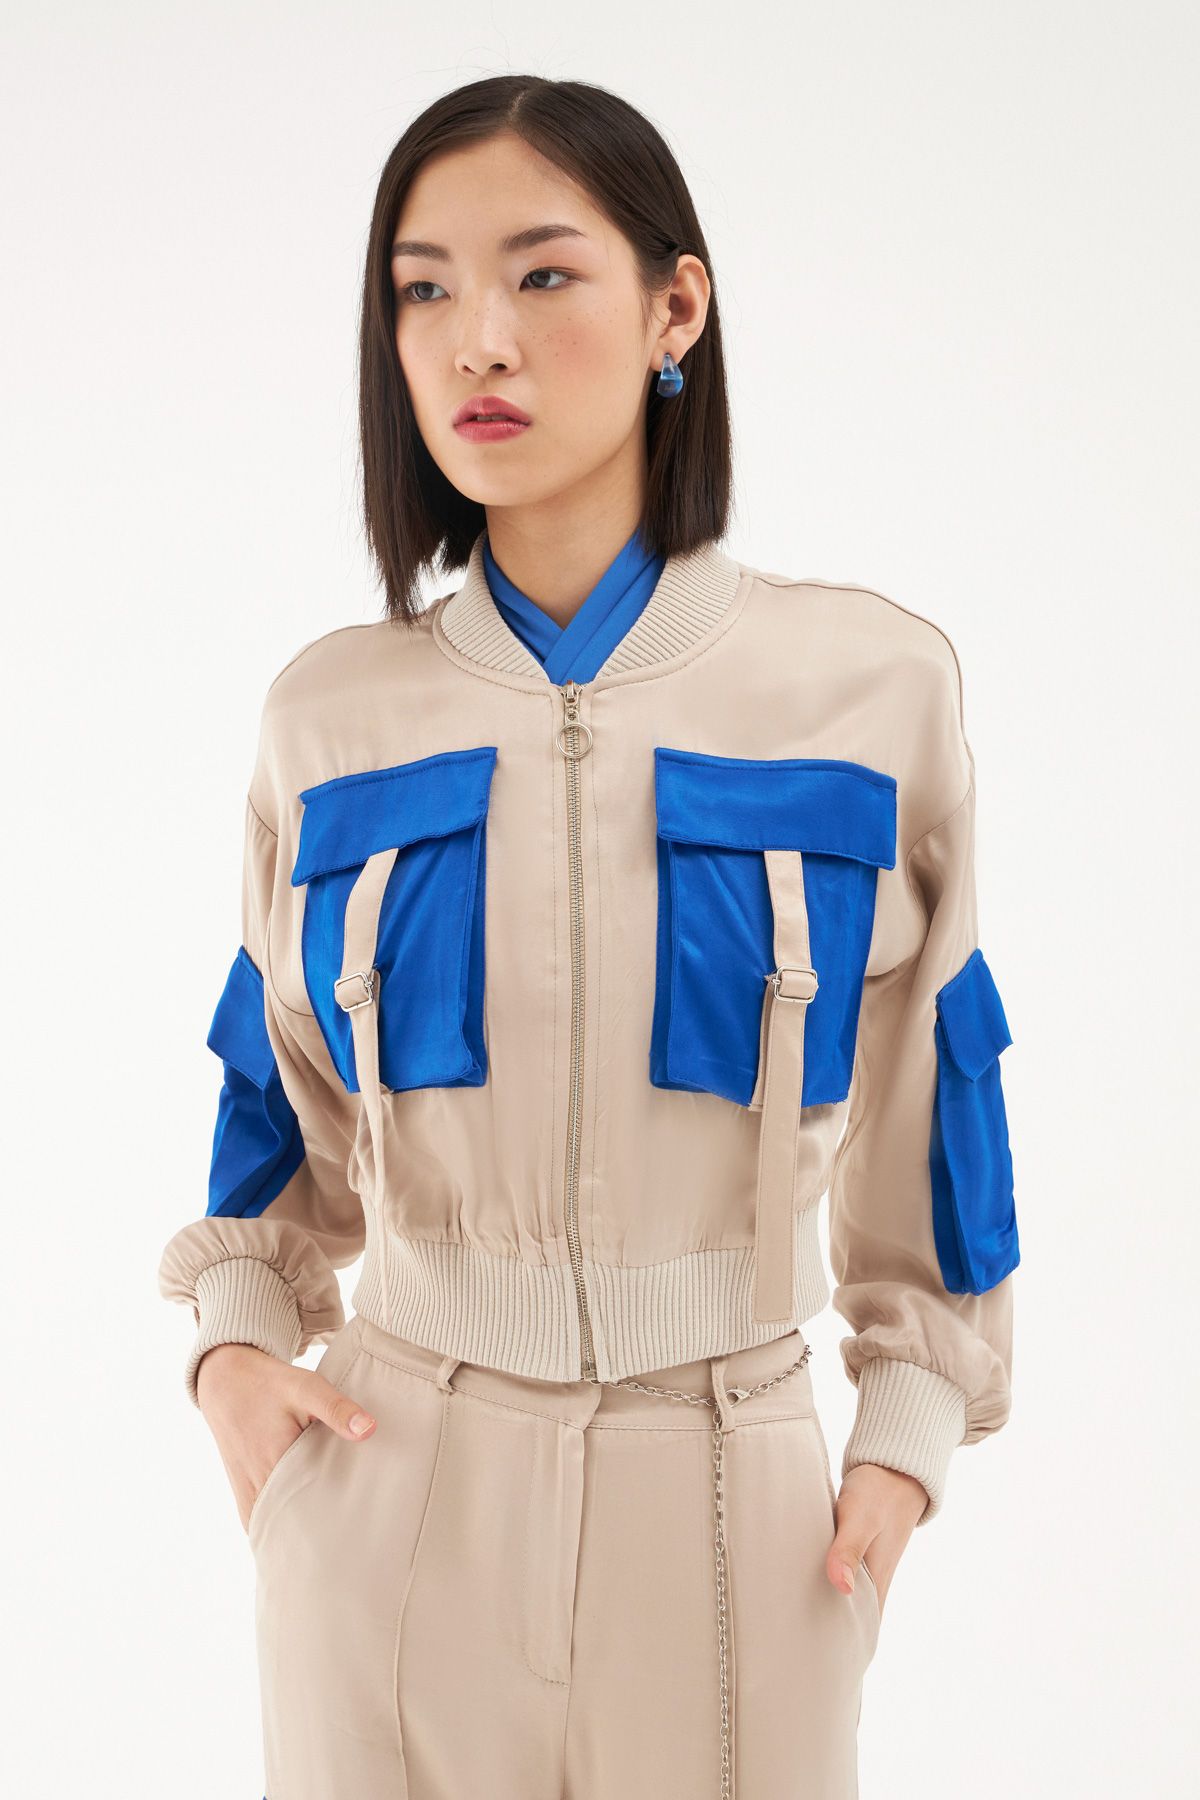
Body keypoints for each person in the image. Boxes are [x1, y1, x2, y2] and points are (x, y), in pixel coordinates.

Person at [158, 73, 1019, 1800]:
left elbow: (945, 1088)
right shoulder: (330, 719)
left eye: (541, 274)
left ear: (674, 308)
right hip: (391, 1491)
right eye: (423, 289)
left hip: (738, 1510)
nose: (477, 339)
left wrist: (907, 1435)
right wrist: (236, 1347)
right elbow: (274, 1102)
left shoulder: (867, 690)